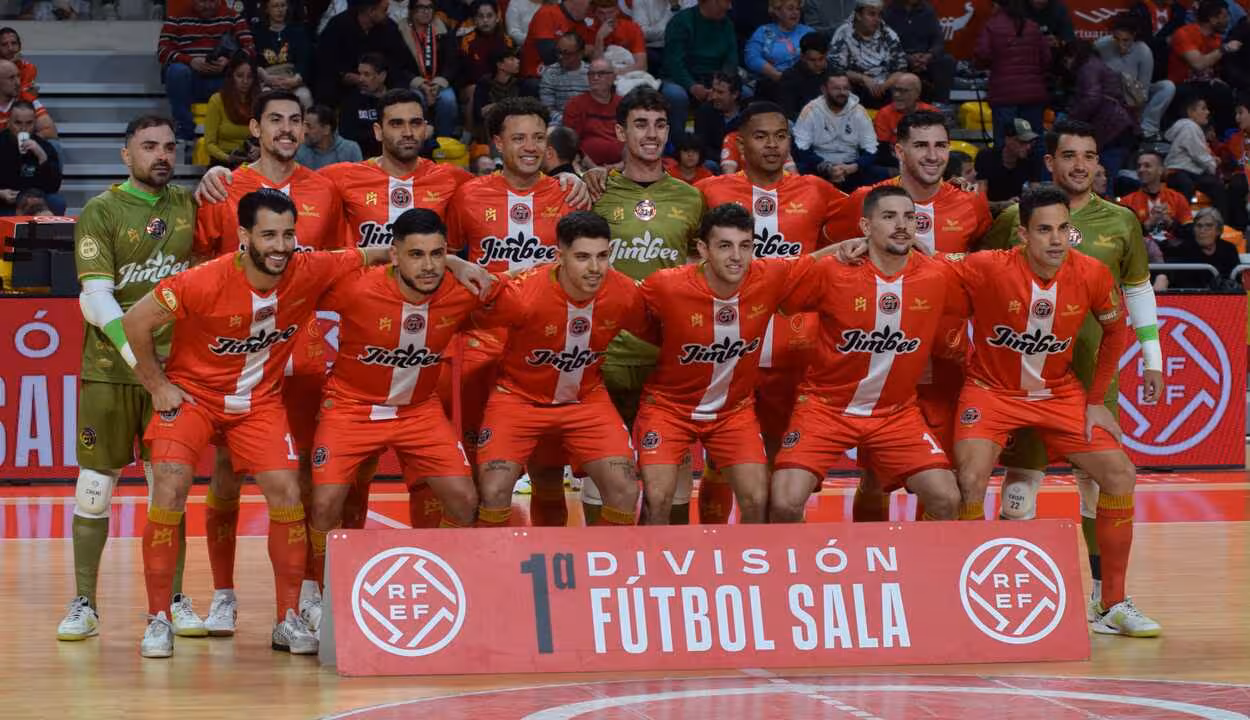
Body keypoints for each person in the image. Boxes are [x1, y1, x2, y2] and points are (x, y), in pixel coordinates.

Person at [121, 190, 399, 658]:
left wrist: (457, 265)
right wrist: (157, 385)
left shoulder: (307, 269)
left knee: (287, 492)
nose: (281, 245)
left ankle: (286, 619)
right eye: (269, 234)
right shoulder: (201, 281)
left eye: (289, 234)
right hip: (194, 399)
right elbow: (134, 322)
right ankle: (158, 619)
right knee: (168, 486)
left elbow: (373, 253)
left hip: (258, 404)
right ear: (244, 236)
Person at [951, 183, 1161, 638]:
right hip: (990, 391)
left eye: (1063, 228)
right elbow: (923, 270)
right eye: (1044, 230)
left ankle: (1111, 604)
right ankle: (960, 599)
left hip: (1059, 394)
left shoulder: (1091, 274)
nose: (1056, 239)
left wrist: (1094, 400)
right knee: (968, 479)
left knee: (1120, 474)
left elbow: (1114, 334)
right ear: (1022, 234)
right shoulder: (986, 266)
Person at [191, 89, 345, 638]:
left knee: (299, 477)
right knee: (227, 478)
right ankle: (224, 595)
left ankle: (305, 595)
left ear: (307, 128)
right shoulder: (223, 186)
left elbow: (337, 268)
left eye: (295, 120)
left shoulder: (326, 188)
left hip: (302, 351)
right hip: (237, 352)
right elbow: (202, 262)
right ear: (253, 127)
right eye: (274, 120)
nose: (285, 129)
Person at [54, 115, 201, 644]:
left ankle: (173, 599)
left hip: (175, 374)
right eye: (149, 147)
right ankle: (85, 602)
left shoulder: (189, 205)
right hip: (111, 373)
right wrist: (147, 372)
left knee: (171, 488)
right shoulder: (101, 211)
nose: (161, 155)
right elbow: (96, 300)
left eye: (169, 147)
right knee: (95, 489)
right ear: (126, 155)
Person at [304, 208, 492, 599]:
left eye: (438, 254)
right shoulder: (356, 288)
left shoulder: (462, 292)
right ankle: (319, 595)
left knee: (464, 499)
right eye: (416, 254)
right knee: (324, 503)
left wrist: (460, 264)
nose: (428, 266)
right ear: (395, 255)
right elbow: (300, 279)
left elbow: (522, 298)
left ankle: (440, 582)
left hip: (418, 411)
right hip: (350, 408)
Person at [824, 110, 991, 521]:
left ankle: (930, 577)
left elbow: (987, 272)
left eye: (940, 145)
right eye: (921, 145)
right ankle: (873, 569)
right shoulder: (865, 200)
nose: (932, 155)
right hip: (883, 362)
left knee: (945, 479)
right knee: (876, 477)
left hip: (949, 363)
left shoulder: (971, 206)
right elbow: (831, 255)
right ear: (898, 150)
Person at [770, 185, 963, 523]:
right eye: (889, 217)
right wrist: (831, 250)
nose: (901, 225)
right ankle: (800, 573)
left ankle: (917, 572)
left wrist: (935, 256)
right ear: (865, 227)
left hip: (896, 414)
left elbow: (991, 280)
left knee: (946, 499)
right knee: (785, 503)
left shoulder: (938, 274)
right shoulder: (833, 271)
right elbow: (778, 288)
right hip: (825, 408)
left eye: (909, 217)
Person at [635, 203, 824, 524]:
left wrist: (852, 246)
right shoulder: (665, 285)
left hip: (732, 412)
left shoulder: (769, 276)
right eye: (725, 246)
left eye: (745, 246)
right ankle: (651, 569)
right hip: (668, 409)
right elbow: (616, 303)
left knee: (759, 499)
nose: (736, 256)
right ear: (702, 249)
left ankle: (753, 569)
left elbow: (815, 261)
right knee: (657, 498)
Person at [474, 211, 648, 528]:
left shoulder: (625, 293)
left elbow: (664, 330)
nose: (595, 268)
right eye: (582, 257)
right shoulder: (522, 294)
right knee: (494, 489)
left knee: (624, 490)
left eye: (602, 256)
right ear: (560, 256)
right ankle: (494, 571)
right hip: (517, 399)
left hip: (586, 400)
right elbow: (464, 313)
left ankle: (601, 568)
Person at [699, 102, 849, 463]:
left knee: (788, 463)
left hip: (796, 350)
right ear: (739, 144)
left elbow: (876, 211)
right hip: (726, 346)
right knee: (723, 465)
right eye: (761, 136)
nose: (772, 145)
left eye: (781, 137)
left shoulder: (817, 190)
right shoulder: (708, 192)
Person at [585, 87, 704, 524]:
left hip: (668, 353)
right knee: (606, 466)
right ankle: (604, 565)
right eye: (640, 124)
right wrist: (571, 176)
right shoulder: (593, 191)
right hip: (605, 350)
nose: (651, 134)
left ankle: (666, 569)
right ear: (620, 131)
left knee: (673, 464)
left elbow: (700, 267)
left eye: (659, 125)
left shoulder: (691, 197)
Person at [443, 97, 580, 468]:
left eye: (538, 137)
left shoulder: (568, 193)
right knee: (473, 455)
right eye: (519, 138)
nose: (531, 147)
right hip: (480, 341)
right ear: (498, 144)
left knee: (546, 469)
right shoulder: (468, 194)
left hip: (546, 341)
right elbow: (448, 257)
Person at [157, 0, 255, 141]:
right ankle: (184, 130)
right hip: (190, 80)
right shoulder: (176, 18)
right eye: (203, 1)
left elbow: (250, 49)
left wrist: (229, 61)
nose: (208, 6)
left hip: (223, 80)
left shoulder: (233, 17)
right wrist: (191, 61)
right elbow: (162, 51)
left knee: (242, 73)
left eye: (212, 1)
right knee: (177, 71)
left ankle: (235, 131)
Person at [974, 0, 1050, 151]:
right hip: (1032, 94)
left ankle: (1005, 175)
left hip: (1004, 95)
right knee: (1035, 143)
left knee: (1005, 144)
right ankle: (1036, 174)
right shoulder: (1033, 26)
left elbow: (982, 55)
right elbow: (1046, 59)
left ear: (997, 5)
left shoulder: (992, 26)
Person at [1062, 40, 1137, 187]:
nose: (1066, 65)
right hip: (1118, 127)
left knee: (1103, 179)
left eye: (1066, 59)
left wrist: (1072, 119)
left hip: (1111, 128)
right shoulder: (1096, 64)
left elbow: (1092, 98)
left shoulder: (1087, 68)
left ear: (1073, 55)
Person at [661, 0, 739, 141]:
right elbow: (674, 62)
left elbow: (731, 59)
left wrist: (719, 87)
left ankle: (731, 143)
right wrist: (692, 86)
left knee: (743, 92)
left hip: (715, 79)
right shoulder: (681, 22)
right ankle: (679, 144)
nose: (730, 6)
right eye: (725, 2)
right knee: (676, 96)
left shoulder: (727, 24)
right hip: (681, 79)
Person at [315, 0, 412, 107]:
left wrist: (380, 79)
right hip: (344, 86)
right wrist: (345, 76)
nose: (388, 13)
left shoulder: (390, 27)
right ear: (371, 11)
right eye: (384, 10)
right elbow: (325, 62)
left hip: (382, 84)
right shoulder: (338, 25)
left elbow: (400, 62)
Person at [794, 71, 879, 190]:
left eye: (845, 88)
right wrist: (826, 167)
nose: (842, 93)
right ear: (824, 89)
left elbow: (872, 148)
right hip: (818, 165)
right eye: (836, 89)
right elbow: (800, 147)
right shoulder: (811, 110)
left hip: (852, 166)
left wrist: (854, 167)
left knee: (883, 175)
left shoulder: (859, 111)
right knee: (794, 171)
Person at [1095, 16, 1174, 141]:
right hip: (1108, 96)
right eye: (1116, 39)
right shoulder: (1101, 45)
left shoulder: (1144, 52)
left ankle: (1147, 129)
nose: (1121, 45)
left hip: (1134, 96)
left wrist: (1135, 112)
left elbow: (1143, 93)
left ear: (1134, 36)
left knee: (1167, 87)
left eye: (1126, 40)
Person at [1167, 0, 1239, 134]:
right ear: (1212, 19)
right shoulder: (1184, 34)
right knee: (1194, 95)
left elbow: (1211, 67)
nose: (1228, 20)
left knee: (1224, 91)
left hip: (1204, 84)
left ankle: (1226, 139)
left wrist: (1215, 77)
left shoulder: (1215, 38)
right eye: (1224, 17)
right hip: (1182, 85)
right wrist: (1224, 49)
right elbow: (1198, 64)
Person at [827, 0, 908, 110]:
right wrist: (863, 79)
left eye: (879, 15)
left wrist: (884, 86)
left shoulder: (888, 34)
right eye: (871, 14)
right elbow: (836, 69)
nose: (877, 19)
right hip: (856, 87)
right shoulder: (843, 33)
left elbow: (901, 68)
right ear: (858, 15)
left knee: (909, 82)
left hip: (886, 87)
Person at [401, 0, 459, 140]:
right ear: (412, 10)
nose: (426, 11)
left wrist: (437, 84)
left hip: (439, 82)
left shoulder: (442, 29)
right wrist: (421, 84)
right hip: (412, 83)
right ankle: (418, 141)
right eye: (421, 7)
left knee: (448, 100)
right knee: (417, 98)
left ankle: (444, 141)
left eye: (429, 7)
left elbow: (452, 62)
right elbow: (397, 65)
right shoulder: (400, 30)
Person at [1119, 149, 1193, 256]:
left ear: (1160, 170)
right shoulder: (1126, 201)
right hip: (1140, 256)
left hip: (1173, 254)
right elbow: (1122, 236)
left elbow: (1190, 233)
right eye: (1139, 166)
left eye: (1147, 166)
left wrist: (1170, 222)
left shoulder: (1177, 198)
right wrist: (1148, 224)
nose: (1141, 169)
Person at [883, 0, 954, 102]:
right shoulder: (888, 13)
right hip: (900, 57)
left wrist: (929, 56)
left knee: (947, 61)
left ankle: (941, 105)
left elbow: (938, 39)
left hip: (925, 58)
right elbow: (885, 45)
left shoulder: (928, 11)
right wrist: (907, 58)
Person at [1165, 96, 1226, 214]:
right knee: (1188, 186)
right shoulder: (1189, 126)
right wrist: (1213, 163)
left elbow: (1197, 153)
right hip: (1177, 172)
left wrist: (1211, 160)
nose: (1207, 112)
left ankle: (1219, 224)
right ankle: (1183, 224)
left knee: (1216, 186)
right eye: (1203, 109)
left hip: (1191, 172)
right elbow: (1198, 154)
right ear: (1191, 112)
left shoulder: (1189, 127)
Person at [0, 101, 62, 215]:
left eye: (29, 123)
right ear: (9, 122)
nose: (23, 128)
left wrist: (41, 156)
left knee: (57, 202)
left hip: (36, 200)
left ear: (35, 124)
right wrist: (1, 193)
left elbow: (54, 186)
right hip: (5, 199)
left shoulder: (44, 147)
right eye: (18, 123)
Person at [745, 0, 813, 101]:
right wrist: (776, 75)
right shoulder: (764, 31)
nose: (795, 12)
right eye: (790, 9)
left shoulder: (808, 32)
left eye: (798, 9)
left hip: (804, 84)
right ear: (777, 11)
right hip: (772, 84)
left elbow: (818, 58)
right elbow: (751, 58)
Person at [563, 57, 623, 167]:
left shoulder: (623, 104)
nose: (595, 77)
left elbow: (632, 140)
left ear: (613, 77)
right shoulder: (575, 104)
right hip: (586, 167)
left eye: (601, 73)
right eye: (591, 74)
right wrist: (594, 169)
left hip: (622, 167)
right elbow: (571, 143)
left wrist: (618, 167)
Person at [253, 0, 313, 109]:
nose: (280, 10)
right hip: (268, 79)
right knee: (265, 98)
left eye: (283, 5)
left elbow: (305, 60)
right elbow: (254, 60)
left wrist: (295, 80)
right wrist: (266, 78)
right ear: (267, 9)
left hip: (292, 77)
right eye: (275, 6)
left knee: (304, 96)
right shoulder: (258, 33)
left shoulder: (298, 32)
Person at [975, 118, 1041, 215]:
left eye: (1030, 142)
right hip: (988, 214)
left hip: (1016, 212)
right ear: (1008, 139)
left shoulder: (1031, 158)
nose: (1028, 147)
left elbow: (1036, 197)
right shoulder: (986, 157)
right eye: (1022, 142)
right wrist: (1003, 205)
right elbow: (979, 202)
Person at [520, 0, 596, 81]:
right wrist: (581, 52)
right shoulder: (547, 13)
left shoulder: (582, 25)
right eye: (591, 3)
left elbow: (588, 57)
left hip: (567, 77)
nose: (593, 9)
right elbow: (549, 55)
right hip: (535, 76)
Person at [205, 56, 259, 167]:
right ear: (231, 76)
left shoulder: (260, 102)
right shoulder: (217, 100)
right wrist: (228, 158)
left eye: (249, 77)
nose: (245, 81)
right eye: (239, 76)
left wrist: (259, 150)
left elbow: (267, 139)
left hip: (253, 162)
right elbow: (209, 144)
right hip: (223, 161)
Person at [1166, 206, 1240, 288]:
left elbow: (1236, 281)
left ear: (1218, 230)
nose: (1202, 230)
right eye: (1199, 226)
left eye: (1208, 226)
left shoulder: (1229, 249)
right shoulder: (1183, 249)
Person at [456, 0, 515, 94]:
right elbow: (463, 75)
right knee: (475, 90)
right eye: (480, 16)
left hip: (500, 86)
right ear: (475, 20)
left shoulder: (507, 41)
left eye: (489, 16)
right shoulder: (466, 42)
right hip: (473, 86)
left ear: (497, 18)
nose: (485, 20)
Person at [338, 53, 389, 159]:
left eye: (366, 74)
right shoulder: (351, 101)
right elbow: (347, 135)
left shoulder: (395, 101)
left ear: (382, 76)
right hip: (360, 158)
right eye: (360, 74)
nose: (361, 79)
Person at [871, 72, 936, 154]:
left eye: (903, 91)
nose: (896, 94)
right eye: (895, 90)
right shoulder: (884, 114)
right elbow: (883, 150)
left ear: (917, 94)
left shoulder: (932, 113)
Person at [470, 46, 523, 142]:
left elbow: (523, 107)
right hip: (491, 130)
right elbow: (480, 113)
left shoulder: (520, 83)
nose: (517, 61)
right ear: (500, 65)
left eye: (516, 58)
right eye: (511, 59)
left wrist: (496, 105)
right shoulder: (484, 83)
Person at [693, 72, 741, 170]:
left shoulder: (747, 116)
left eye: (720, 92)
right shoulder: (705, 111)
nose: (714, 96)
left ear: (735, 94)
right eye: (713, 90)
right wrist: (726, 159)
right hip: (714, 161)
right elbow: (701, 146)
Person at [539, 32, 590, 126]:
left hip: (588, 121)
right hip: (560, 122)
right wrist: (567, 120)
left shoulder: (591, 73)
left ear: (580, 53)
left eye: (567, 53)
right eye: (559, 52)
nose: (560, 57)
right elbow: (547, 108)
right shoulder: (550, 72)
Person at [780, 31, 830, 120]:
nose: (817, 64)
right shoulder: (790, 78)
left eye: (821, 58)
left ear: (827, 54)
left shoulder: (834, 72)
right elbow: (788, 114)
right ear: (802, 57)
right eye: (812, 60)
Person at [296, 104, 363, 170]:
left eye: (309, 127)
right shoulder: (299, 152)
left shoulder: (351, 150)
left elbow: (359, 178)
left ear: (326, 130)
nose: (305, 131)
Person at [590, 0, 647, 75]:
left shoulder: (632, 28)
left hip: (627, 74)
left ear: (617, 11)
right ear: (595, 13)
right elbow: (595, 67)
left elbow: (642, 66)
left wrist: (615, 72)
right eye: (601, 13)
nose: (606, 17)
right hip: (602, 76)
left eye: (610, 12)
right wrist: (599, 38)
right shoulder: (590, 30)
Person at [0, 60, 55, 138]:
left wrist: (23, 141)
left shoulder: (27, 98)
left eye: (18, 76)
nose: (18, 83)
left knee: (54, 144)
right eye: (11, 78)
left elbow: (50, 131)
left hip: (21, 146)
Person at [0, 27, 37, 101]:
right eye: (4, 44)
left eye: (14, 43)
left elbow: (27, 98)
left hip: (18, 109)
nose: (10, 48)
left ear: (20, 46)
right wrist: (10, 64)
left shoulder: (28, 68)